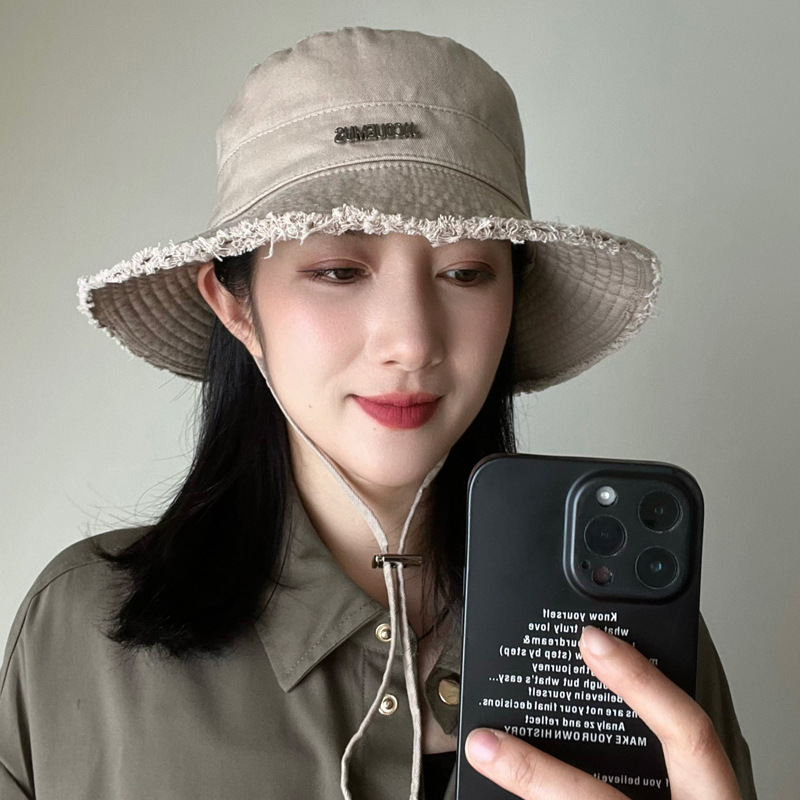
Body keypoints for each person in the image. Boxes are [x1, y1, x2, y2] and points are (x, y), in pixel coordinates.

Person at [0, 27, 756, 800]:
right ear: (236, 305)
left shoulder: (638, 649)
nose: (411, 341)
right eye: (338, 270)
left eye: (466, 272)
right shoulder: (78, 639)